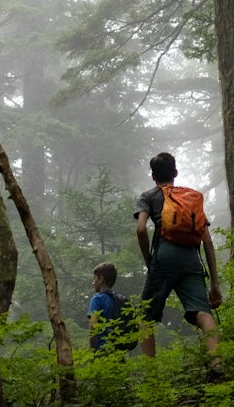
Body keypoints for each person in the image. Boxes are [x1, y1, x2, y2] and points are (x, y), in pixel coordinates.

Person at [134, 151, 222, 364]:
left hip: (164, 254)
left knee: (145, 316)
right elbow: (208, 242)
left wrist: (149, 261)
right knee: (203, 313)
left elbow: (140, 229)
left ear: (153, 177)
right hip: (191, 257)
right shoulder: (191, 199)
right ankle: (218, 365)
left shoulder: (149, 196)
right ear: (176, 172)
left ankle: (152, 375)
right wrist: (214, 283)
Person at [87, 261, 122, 353]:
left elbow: (93, 326)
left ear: (101, 279)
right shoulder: (119, 299)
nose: (93, 283)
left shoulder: (97, 299)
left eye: (95, 279)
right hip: (119, 351)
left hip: (102, 350)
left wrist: (92, 351)